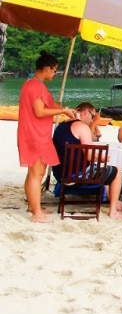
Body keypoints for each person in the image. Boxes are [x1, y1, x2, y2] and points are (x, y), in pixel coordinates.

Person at [16, 51, 76, 222]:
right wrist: (63, 111)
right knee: (37, 172)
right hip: (34, 133)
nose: (55, 73)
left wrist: (65, 108)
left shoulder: (35, 84)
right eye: (55, 70)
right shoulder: (34, 85)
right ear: (47, 68)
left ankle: (32, 206)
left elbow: (49, 103)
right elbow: (40, 111)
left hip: (36, 132)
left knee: (35, 172)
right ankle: (36, 213)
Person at [52, 102, 122, 219]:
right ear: (85, 113)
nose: (92, 120)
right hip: (78, 176)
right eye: (92, 116)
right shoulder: (82, 127)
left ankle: (113, 200)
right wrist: (102, 158)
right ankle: (113, 211)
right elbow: (89, 156)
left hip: (60, 175)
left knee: (103, 170)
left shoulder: (60, 127)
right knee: (117, 172)